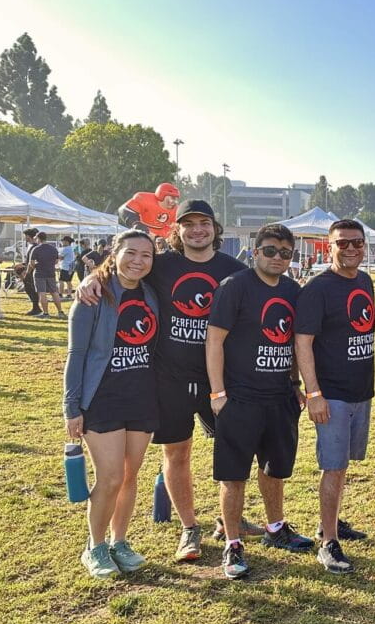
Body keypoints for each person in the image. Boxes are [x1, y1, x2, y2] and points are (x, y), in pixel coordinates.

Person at [74, 199, 254, 561]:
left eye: (204, 223)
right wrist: (91, 278)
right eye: (189, 224)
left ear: (215, 228)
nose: (197, 229)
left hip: (219, 377)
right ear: (178, 230)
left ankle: (228, 518)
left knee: (232, 450)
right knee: (177, 452)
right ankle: (189, 528)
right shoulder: (162, 264)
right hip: (167, 376)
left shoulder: (234, 270)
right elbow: (124, 269)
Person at [206, 223, 312, 580]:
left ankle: (275, 528)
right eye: (270, 250)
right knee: (234, 475)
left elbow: (297, 341)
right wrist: (218, 393)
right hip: (240, 397)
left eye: (286, 253)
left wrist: (295, 382)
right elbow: (214, 341)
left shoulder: (293, 290)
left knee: (274, 469)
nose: (278, 258)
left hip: (280, 397)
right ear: (255, 251)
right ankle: (233, 543)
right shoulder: (235, 287)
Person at [63, 230, 160, 578]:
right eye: (130, 253)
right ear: (114, 253)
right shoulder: (93, 296)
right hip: (102, 398)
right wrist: (71, 408)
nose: (138, 261)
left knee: (130, 476)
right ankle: (95, 545)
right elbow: (76, 354)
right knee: (110, 476)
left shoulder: (151, 294)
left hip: (143, 395)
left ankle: (120, 542)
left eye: (146, 255)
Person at [296, 219, 375, 574]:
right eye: (342, 243)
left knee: (344, 465)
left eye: (356, 243)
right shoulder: (318, 288)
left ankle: (330, 522)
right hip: (333, 395)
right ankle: (328, 541)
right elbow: (303, 343)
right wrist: (314, 393)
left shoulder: (364, 281)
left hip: (362, 391)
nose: (351, 249)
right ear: (329, 247)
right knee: (333, 467)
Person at [29, 231, 67, 318]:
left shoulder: (36, 249)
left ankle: (45, 313)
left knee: (42, 293)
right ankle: (60, 312)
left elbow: (31, 263)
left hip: (39, 273)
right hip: (51, 272)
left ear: (38, 238)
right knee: (54, 292)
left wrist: (36, 266)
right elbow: (56, 261)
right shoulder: (53, 249)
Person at [20, 228, 41, 314]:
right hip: (29, 269)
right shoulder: (31, 246)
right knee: (29, 289)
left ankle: (36, 307)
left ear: (29, 236)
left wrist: (27, 272)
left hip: (31, 271)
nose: (25, 238)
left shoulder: (35, 246)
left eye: (26, 236)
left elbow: (33, 261)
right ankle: (35, 307)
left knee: (31, 289)